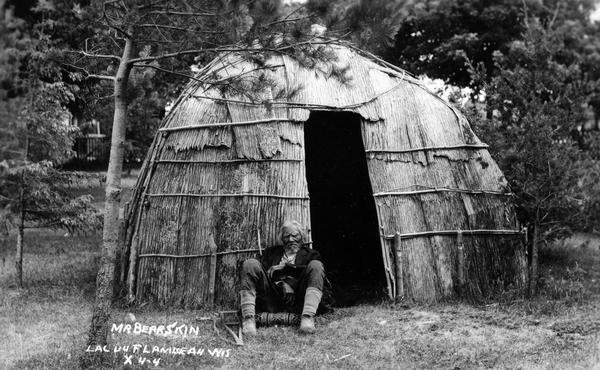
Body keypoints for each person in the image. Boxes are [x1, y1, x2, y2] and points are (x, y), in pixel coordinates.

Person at [239, 220, 331, 335]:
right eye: (287, 236)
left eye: (295, 235)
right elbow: (263, 276)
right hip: (272, 299)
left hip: (299, 299)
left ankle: (307, 316)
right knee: (250, 264)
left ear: (301, 236)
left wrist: (285, 268)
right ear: (282, 239)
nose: (291, 239)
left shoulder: (311, 254)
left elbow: (314, 275)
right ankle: (248, 319)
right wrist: (283, 284)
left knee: (316, 265)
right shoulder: (270, 253)